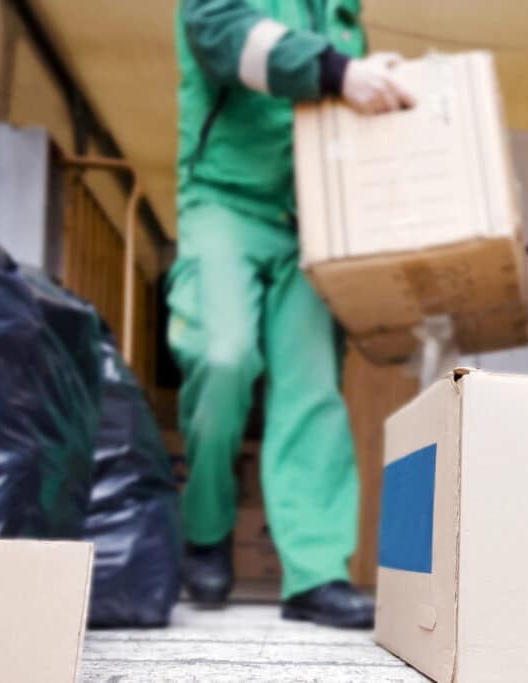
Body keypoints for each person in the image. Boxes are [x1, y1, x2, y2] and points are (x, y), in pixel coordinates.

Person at [168, 0, 413, 628]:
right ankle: (207, 528)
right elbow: (219, 33)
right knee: (221, 359)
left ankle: (315, 572)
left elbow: (342, 91)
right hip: (225, 199)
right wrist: (339, 70)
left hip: (310, 217)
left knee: (312, 391)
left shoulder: (341, 12)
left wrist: (368, 77)